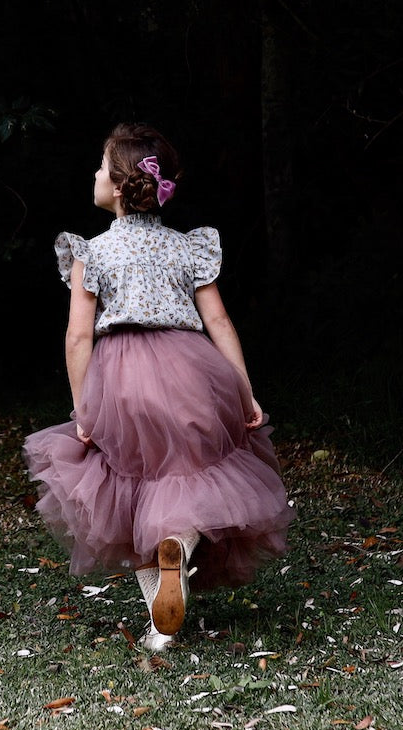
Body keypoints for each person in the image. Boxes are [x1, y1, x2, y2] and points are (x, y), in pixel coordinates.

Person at [23, 123, 295, 650]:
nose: (95, 174)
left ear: (121, 188)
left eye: (102, 167)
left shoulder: (92, 252)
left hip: (122, 380)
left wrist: (84, 408)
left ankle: (161, 622)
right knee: (188, 478)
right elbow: (219, 323)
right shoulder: (187, 248)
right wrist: (244, 391)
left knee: (134, 489)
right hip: (194, 373)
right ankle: (177, 550)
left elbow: (79, 336)